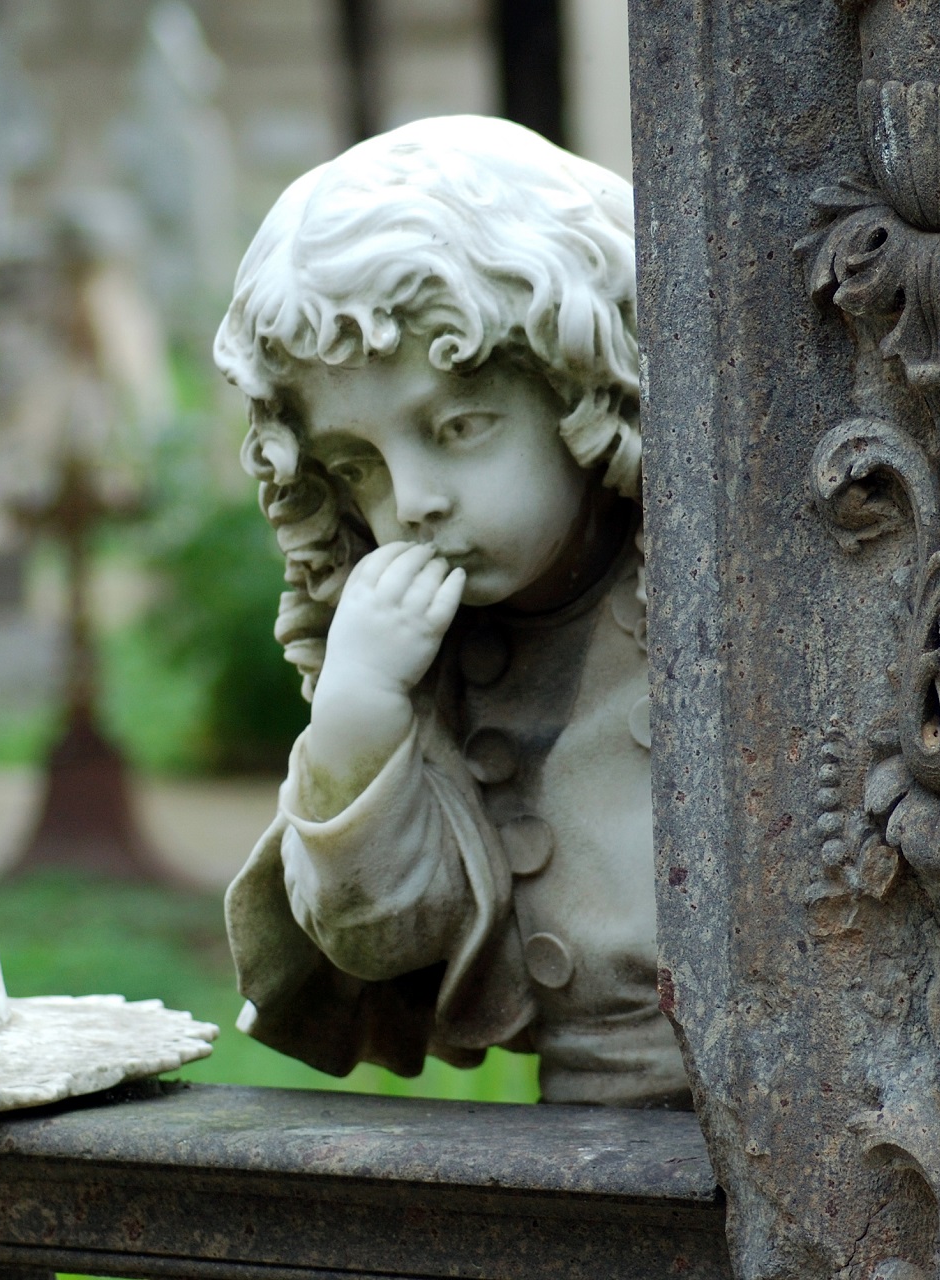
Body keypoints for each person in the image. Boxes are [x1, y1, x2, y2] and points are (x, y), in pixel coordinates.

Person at [215, 115, 686, 1108]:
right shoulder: (434, 652)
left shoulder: (721, 577)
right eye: (359, 465)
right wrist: (357, 719)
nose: (413, 500)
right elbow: (387, 933)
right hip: (595, 1132)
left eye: (459, 425)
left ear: (580, 385)